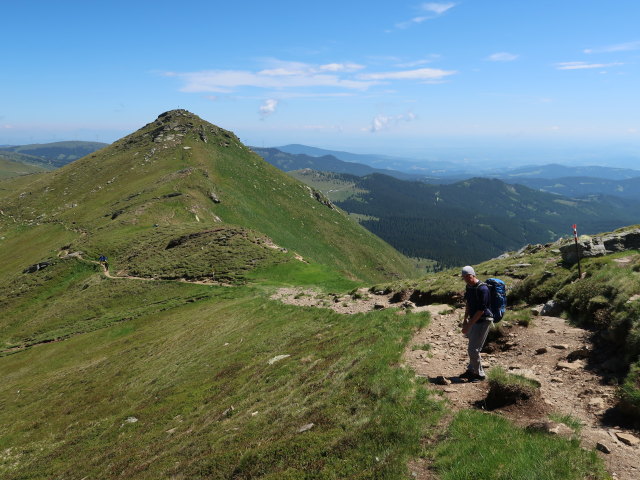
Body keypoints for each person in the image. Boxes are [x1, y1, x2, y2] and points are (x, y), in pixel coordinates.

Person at [460, 265, 493, 382]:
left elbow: (481, 310)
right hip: (474, 319)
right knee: (472, 346)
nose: (466, 279)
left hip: (483, 320)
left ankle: (480, 374)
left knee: (473, 349)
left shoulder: (483, 289)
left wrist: (469, 325)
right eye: (464, 277)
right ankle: (471, 370)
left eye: (468, 276)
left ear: (473, 274)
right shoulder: (469, 287)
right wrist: (465, 320)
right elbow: (468, 303)